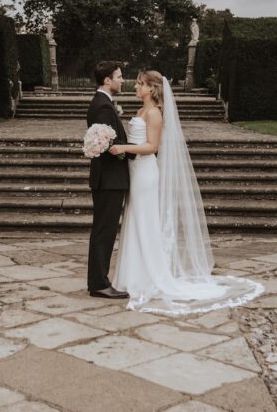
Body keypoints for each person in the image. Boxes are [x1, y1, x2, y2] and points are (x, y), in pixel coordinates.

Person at [109, 70, 263, 314]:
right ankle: (132, 274)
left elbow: (152, 147)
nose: (136, 87)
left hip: (145, 172)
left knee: (144, 220)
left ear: (151, 89)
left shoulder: (154, 113)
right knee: (135, 219)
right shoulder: (140, 111)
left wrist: (122, 148)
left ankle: (147, 276)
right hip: (134, 170)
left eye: (140, 84)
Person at [85, 60, 134, 299]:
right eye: (119, 76)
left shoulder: (103, 103)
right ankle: (99, 284)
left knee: (103, 230)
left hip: (107, 179)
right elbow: (109, 146)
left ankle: (98, 281)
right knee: (104, 231)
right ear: (107, 80)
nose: (122, 80)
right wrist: (142, 149)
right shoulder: (103, 106)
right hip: (109, 179)